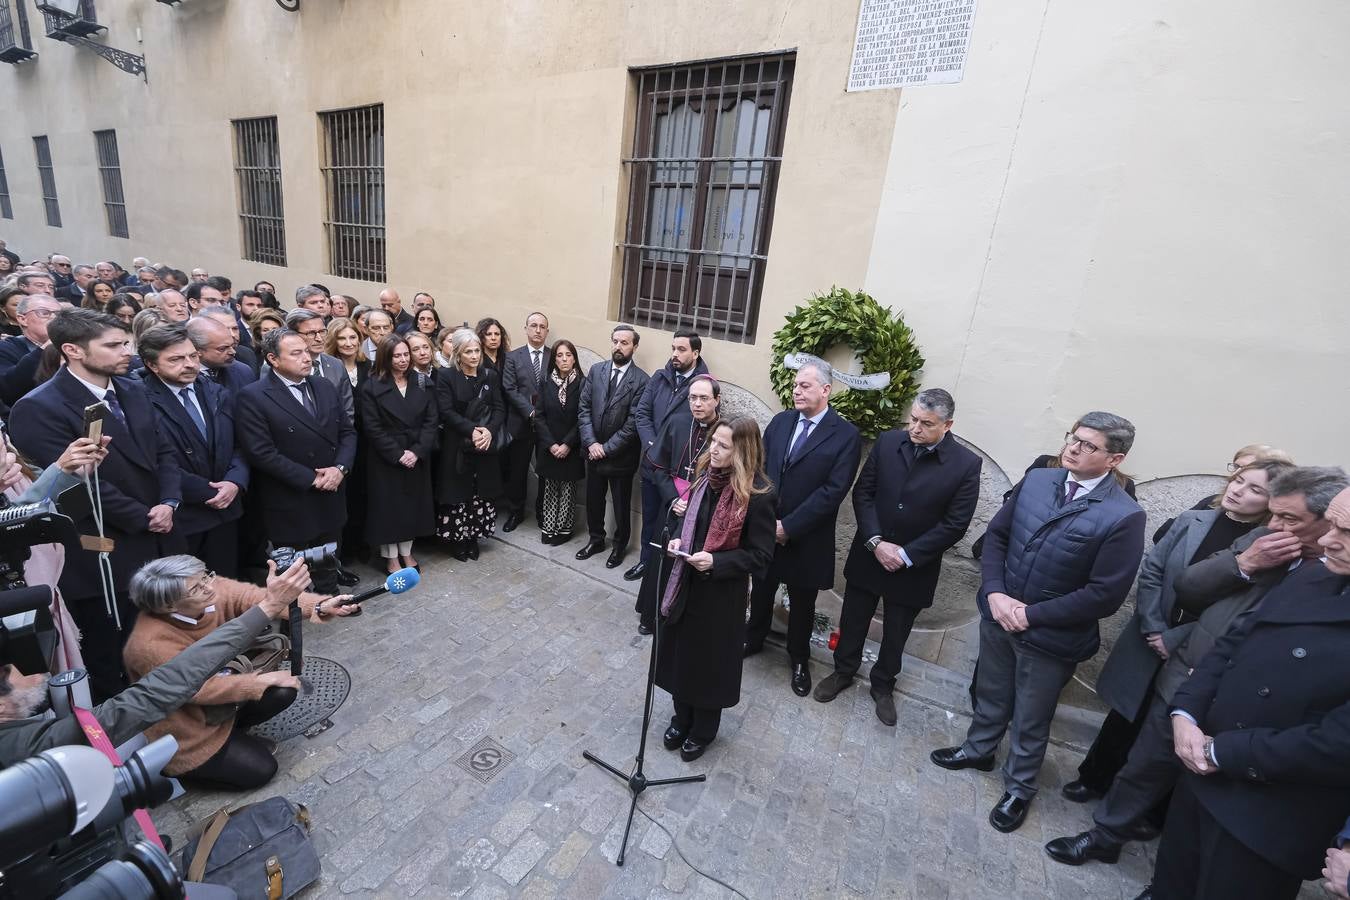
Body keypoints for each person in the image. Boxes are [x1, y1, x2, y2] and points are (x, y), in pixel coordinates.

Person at [1047, 466, 1344, 876]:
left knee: (1201, 800)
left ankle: (1172, 877)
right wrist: (1244, 562)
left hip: (1255, 716)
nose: (1275, 525)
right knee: (1144, 766)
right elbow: (1190, 586)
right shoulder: (1260, 539)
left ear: (1331, 520)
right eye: (1273, 513)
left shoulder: (1328, 579)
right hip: (1191, 682)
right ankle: (1105, 836)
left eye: (1289, 519)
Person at [931, 412, 1146, 833]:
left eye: (1088, 445)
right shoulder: (1039, 480)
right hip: (999, 612)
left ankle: (1019, 789)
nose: (1073, 448)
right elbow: (996, 537)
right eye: (1073, 438)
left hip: (1049, 635)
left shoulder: (1124, 516)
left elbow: (1105, 594)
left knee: (1032, 715)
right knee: (991, 692)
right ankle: (978, 749)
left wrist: (1029, 614)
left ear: (1114, 460)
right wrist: (995, 592)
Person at [1146, 479, 1350, 900]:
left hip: (1270, 815)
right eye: (1330, 525)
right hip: (1201, 778)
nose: (1328, 540)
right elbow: (1231, 644)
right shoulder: (1313, 576)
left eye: (1346, 533)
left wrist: (1220, 752)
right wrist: (1185, 714)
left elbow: (1337, 743)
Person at [1057, 450, 1293, 811]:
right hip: (1151, 634)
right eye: (1238, 480)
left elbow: (1235, 609)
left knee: (1166, 726)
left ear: (1272, 503)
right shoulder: (1194, 519)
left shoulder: (1266, 548)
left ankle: (1142, 807)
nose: (1239, 490)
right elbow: (1153, 569)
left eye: (1254, 490)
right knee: (1126, 715)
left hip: (1198, 649)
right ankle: (1094, 778)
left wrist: (1174, 639)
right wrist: (1154, 625)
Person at [8, 309, 184, 701]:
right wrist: (142, 516)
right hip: (104, 550)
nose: (128, 352)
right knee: (117, 652)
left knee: (165, 634)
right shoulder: (38, 407)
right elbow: (77, 485)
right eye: (115, 345)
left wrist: (169, 500)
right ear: (72, 350)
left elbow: (165, 449)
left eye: (127, 343)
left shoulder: (133, 388)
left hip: (161, 529)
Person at [811, 388, 979, 719]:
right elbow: (864, 493)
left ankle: (883, 684)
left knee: (897, 631)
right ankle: (843, 671)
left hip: (914, 566)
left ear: (947, 425)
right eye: (913, 419)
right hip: (870, 553)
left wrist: (906, 554)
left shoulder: (966, 464)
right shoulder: (889, 443)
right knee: (854, 619)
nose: (915, 428)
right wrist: (875, 541)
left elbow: (955, 524)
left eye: (926, 424)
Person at [123, 555, 357, 789]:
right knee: (263, 771)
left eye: (206, 576)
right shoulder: (148, 645)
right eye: (197, 587)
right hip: (190, 729)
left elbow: (260, 600)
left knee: (283, 690)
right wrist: (257, 683)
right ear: (168, 606)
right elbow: (199, 689)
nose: (209, 586)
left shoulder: (210, 589)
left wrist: (318, 606)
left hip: (223, 696)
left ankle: (234, 727)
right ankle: (192, 770)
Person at [654, 418, 775, 761]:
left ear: (742, 451)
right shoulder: (704, 477)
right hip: (685, 581)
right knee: (681, 654)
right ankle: (681, 717)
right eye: (713, 443)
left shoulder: (759, 494)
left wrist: (717, 563)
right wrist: (677, 534)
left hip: (721, 594)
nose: (713, 450)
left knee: (708, 663)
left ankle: (703, 729)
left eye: (723, 446)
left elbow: (761, 554)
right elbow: (684, 518)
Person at [744, 358, 863, 695]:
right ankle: (753, 638)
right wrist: (766, 521)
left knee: (802, 604)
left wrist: (790, 527)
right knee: (762, 589)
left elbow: (833, 492)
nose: (796, 390)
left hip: (806, 537)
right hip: (768, 531)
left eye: (805, 385)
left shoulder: (845, 435)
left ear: (826, 390)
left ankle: (799, 658)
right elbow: (759, 470)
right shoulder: (781, 422)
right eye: (795, 385)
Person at [235, 329, 357, 595]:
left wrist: (340, 469)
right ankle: (294, 611)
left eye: (307, 351)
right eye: (297, 353)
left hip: (331, 490)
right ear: (273, 359)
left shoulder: (324, 386)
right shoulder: (254, 396)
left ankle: (329, 596)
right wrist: (311, 479)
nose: (308, 358)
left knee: (328, 552)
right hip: (290, 495)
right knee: (293, 565)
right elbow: (261, 452)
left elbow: (347, 432)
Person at [138, 325, 249, 578]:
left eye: (193, 356)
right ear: (152, 365)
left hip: (227, 507)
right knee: (190, 592)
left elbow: (239, 445)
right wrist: (211, 491)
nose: (189, 364)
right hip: (185, 514)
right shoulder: (140, 401)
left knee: (225, 580)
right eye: (176, 359)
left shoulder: (215, 391)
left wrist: (234, 481)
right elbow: (155, 460)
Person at [632, 374, 721, 626]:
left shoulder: (724, 432)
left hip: (701, 512)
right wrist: (673, 499)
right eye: (693, 398)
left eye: (704, 398)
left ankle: (676, 617)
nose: (697, 404)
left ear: (716, 400)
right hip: (672, 505)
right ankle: (650, 616)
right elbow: (658, 468)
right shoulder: (677, 422)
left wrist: (694, 505)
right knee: (661, 560)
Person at [628, 329, 710, 582]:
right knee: (650, 516)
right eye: (673, 348)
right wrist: (654, 447)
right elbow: (641, 413)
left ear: (695, 353)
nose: (675, 353)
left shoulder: (703, 385)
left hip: (678, 474)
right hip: (653, 463)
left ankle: (664, 572)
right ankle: (645, 563)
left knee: (674, 523)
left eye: (682, 349)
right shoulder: (660, 377)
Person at [360, 334, 438, 573]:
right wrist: (397, 453)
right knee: (388, 509)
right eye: (397, 356)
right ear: (386, 357)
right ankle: (391, 557)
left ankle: (407, 551)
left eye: (406, 354)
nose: (404, 360)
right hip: (387, 458)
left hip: (416, 454)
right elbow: (372, 427)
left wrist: (416, 451)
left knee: (412, 507)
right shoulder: (372, 386)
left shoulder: (422, 381)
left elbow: (431, 420)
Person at [577, 325, 649, 568]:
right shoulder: (597, 371)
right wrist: (592, 443)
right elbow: (584, 409)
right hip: (593, 453)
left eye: (625, 342)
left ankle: (619, 546)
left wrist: (606, 448)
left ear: (634, 347)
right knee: (594, 501)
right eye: (615, 341)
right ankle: (595, 539)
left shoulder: (641, 381)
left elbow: (633, 423)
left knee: (620, 505)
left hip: (620, 457)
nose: (618, 346)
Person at [435, 328, 505, 561]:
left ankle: (474, 538)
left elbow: (499, 408)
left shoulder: (490, 376)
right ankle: (459, 540)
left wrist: (489, 432)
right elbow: (445, 411)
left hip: (484, 446)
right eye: (468, 352)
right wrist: (471, 430)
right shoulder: (446, 376)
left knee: (480, 494)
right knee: (459, 494)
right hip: (457, 445)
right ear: (457, 354)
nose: (474, 356)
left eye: (477, 351)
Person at [500, 312, 550, 533]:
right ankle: (515, 512)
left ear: (547, 331)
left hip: (547, 426)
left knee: (546, 471)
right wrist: (530, 412)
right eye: (533, 325)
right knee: (517, 471)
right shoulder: (513, 357)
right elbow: (509, 389)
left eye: (542, 326)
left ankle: (542, 512)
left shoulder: (555, 355)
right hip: (520, 423)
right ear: (526, 328)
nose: (537, 330)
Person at [533, 339, 585, 546]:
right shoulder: (546, 381)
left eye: (568, 355)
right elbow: (539, 416)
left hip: (571, 447)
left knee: (567, 491)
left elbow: (583, 417)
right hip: (550, 446)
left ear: (574, 359)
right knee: (549, 489)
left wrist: (567, 444)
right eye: (559, 355)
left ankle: (564, 529)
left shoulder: (583, 383)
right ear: (554, 359)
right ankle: (549, 528)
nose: (564, 359)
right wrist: (552, 444)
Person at [285, 308, 356, 429]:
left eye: (322, 331)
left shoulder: (336, 365)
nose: (319, 338)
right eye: (311, 333)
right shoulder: (284, 367)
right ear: (293, 334)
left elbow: (347, 410)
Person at [0, 294, 60, 405]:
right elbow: (8, 389)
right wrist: (47, 347)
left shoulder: (70, 346)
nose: (54, 318)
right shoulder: (5, 348)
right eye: (44, 313)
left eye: (58, 314)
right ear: (22, 319)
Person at [186, 316, 256, 398]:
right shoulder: (184, 377)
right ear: (197, 350)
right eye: (222, 349)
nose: (233, 352)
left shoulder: (242, 371)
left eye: (232, 346)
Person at [326, 316, 370, 391]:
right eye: (341, 338)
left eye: (352, 337)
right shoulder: (326, 369)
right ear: (332, 341)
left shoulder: (370, 366)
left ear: (359, 339)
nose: (349, 344)